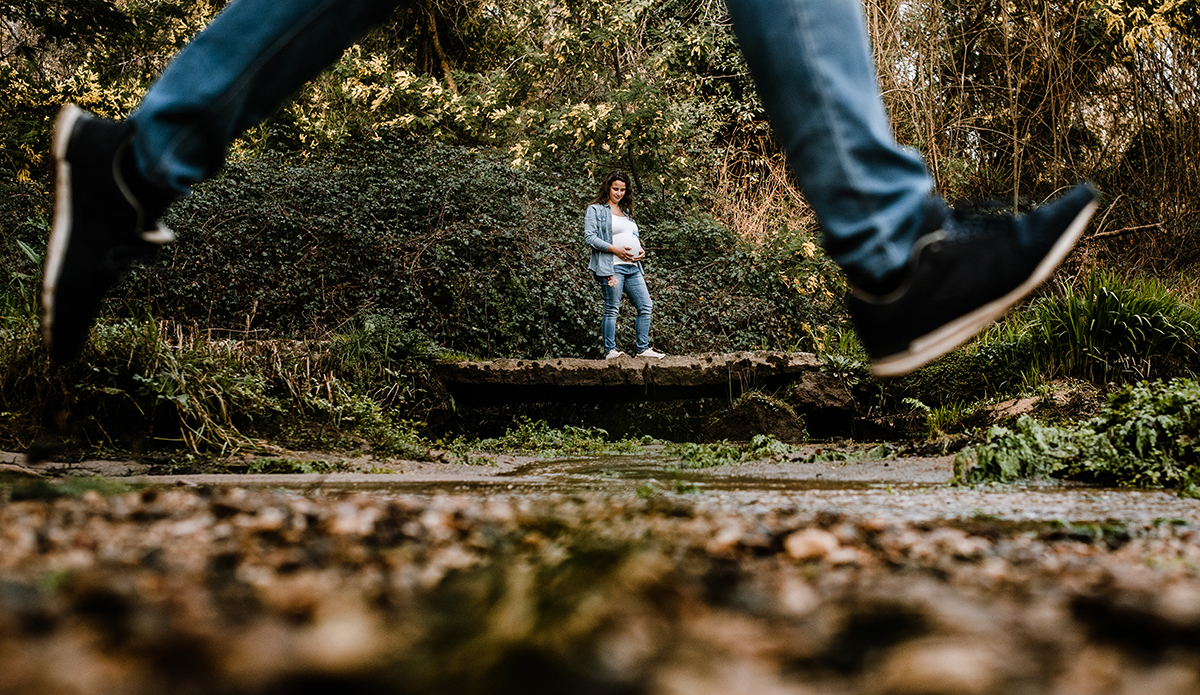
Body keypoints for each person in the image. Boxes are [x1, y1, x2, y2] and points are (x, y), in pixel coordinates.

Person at [41, 0, 1098, 378]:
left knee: (636, 298)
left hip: (628, 266)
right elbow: (601, 238)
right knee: (620, 295)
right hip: (611, 269)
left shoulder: (632, 211)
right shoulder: (606, 211)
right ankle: (888, 246)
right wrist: (612, 244)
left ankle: (134, 167)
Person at [583, 170, 667, 360]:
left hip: (632, 267)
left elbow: (631, 235)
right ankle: (611, 351)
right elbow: (590, 237)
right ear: (608, 188)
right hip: (611, 266)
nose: (619, 193)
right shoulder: (595, 209)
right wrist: (615, 249)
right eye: (615, 189)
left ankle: (642, 350)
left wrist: (640, 249)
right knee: (612, 308)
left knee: (646, 305)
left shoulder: (626, 211)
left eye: (623, 190)